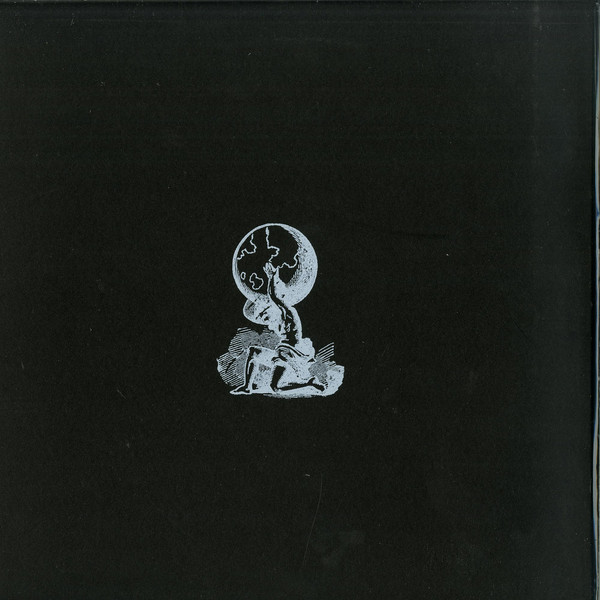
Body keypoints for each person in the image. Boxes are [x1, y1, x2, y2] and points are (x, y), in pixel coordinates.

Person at [231, 262, 324, 395]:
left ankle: (309, 383)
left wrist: (272, 277)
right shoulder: (277, 321)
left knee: (276, 388)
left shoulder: (289, 313)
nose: (263, 318)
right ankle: (247, 387)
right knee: (253, 351)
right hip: (282, 352)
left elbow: (275, 297)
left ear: (273, 308)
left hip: (292, 354)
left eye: (264, 314)